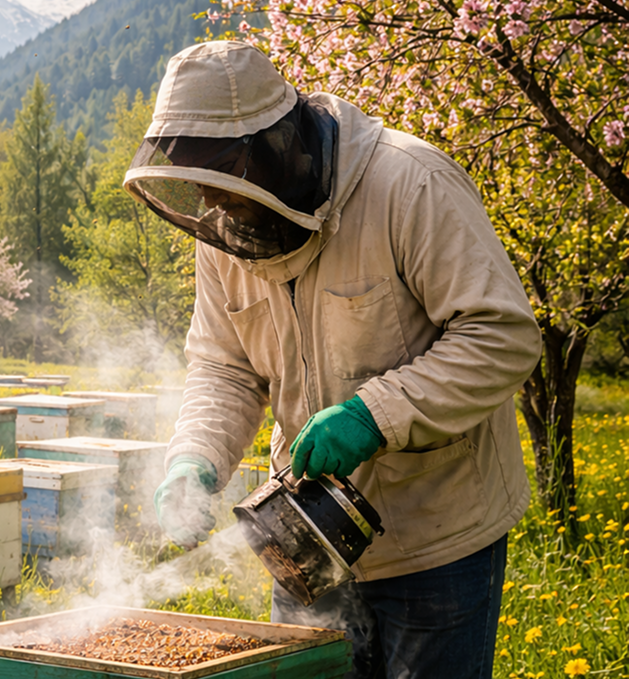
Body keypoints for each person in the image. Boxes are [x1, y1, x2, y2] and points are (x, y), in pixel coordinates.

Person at [127, 41, 540, 678]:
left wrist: (373, 415)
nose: (215, 205)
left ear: (272, 146)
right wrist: (194, 458)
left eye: (223, 181)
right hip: (304, 539)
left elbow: (502, 335)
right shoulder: (226, 232)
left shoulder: (410, 184)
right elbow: (223, 366)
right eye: (197, 184)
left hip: (436, 539)